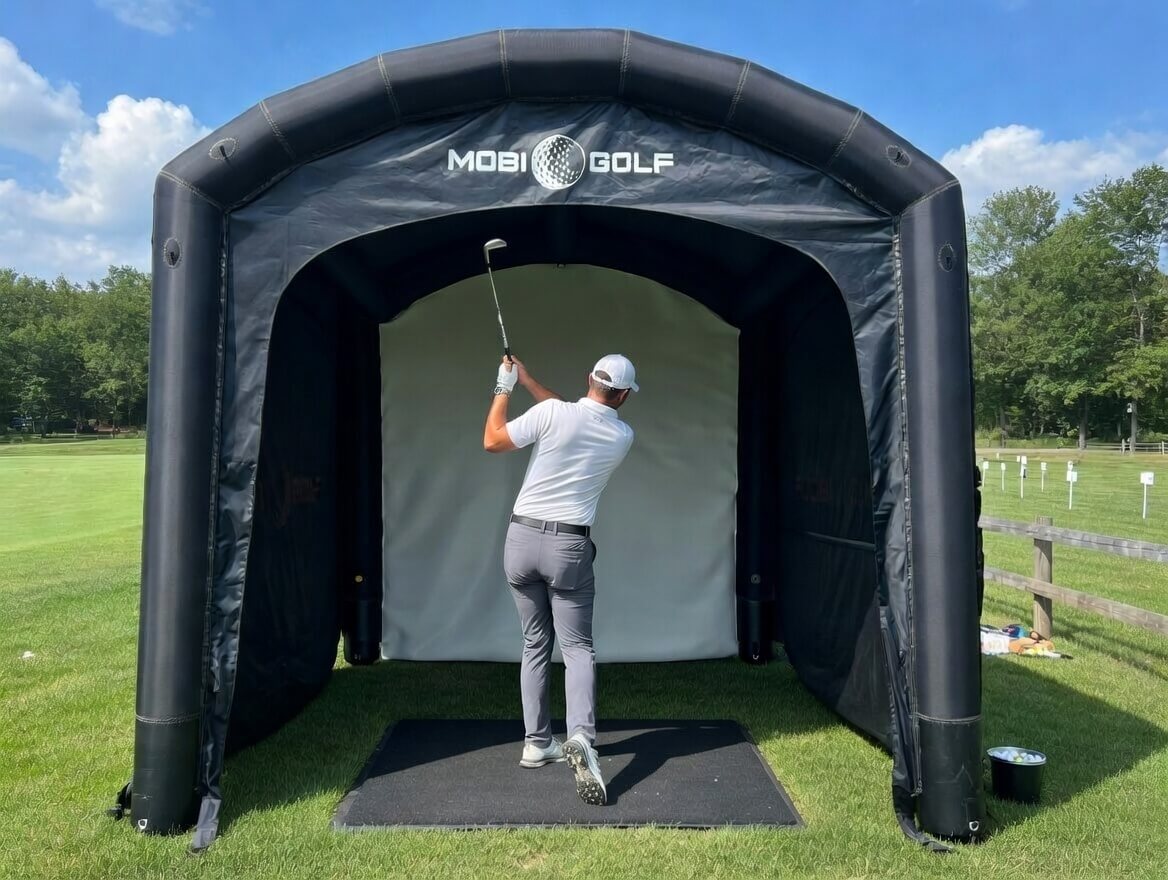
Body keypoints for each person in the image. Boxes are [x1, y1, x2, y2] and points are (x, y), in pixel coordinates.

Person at [483, 353, 638, 806]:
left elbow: (493, 440)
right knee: (577, 648)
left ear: (589, 379)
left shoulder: (554, 414)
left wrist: (505, 385)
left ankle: (537, 743)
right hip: (568, 548)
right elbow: (570, 413)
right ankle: (582, 739)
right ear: (624, 396)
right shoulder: (621, 435)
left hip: (520, 541)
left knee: (535, 643)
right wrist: (529, 380)